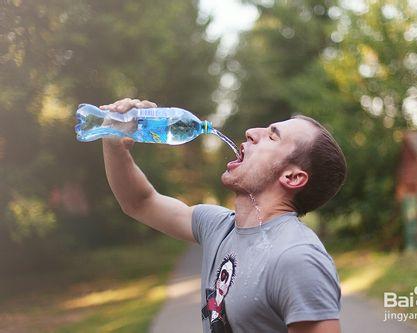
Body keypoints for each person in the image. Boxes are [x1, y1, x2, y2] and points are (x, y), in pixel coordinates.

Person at [101, 98, 347, 333]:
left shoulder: (297, 259)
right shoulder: (219, 227)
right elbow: (140, 202)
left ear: (292, 177)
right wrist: (114, 145)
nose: (251, 132)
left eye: (272, 136)